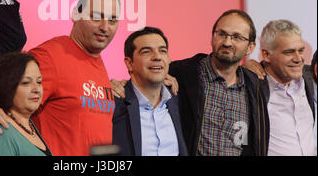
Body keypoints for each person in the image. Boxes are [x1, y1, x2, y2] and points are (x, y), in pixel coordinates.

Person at [111, 9, 269, 156]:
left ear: (250, 47)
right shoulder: (180, 73)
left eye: (236, 37)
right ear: (212, 36)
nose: (227, 42)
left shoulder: (254, 86)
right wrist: (116, 86)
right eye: (221, 34)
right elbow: (143, 81)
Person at [29, 0, 120, 156]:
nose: (105, 27)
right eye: (96, 17)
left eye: (112, 20)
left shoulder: (97, 61)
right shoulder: (49, 56)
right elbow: (10, 114)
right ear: (75, 14)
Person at [112, 27, 188, 156]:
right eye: (146, 52)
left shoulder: (179, 100)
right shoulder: (113, 104)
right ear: (129, 63)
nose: (157, 57)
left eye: (163, 51)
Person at [257, 20, 316, 156]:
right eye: (289, 52)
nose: (298, 58)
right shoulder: (252, 87)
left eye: (301, 50)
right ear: (266, 54)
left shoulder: (308, 77)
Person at [0, 52, 52, 156]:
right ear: (6, 87)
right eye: (26, 83)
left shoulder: (29, 125)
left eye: (39, 82)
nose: (36, 89)